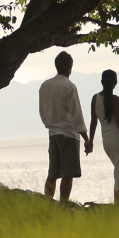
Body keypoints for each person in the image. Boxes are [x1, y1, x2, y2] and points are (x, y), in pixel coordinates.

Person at [39, 51, 90, 203]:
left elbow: (42, 111)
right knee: (68, 173)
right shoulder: (69, 87)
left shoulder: (45, 86)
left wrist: (49, 124)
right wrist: (86, 139)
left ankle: (47, 203)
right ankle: (63, 204)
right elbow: (76, 115)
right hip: (68, 134)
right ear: (70, 68)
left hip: (53, 133)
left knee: (53, 173)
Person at [86, 69, 119, 204]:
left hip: (107, 142)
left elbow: (93, 122)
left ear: (102, 82)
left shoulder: (95, 98)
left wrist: (91, 142)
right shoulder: (115, 99)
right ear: (115, 83)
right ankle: (118, 207)